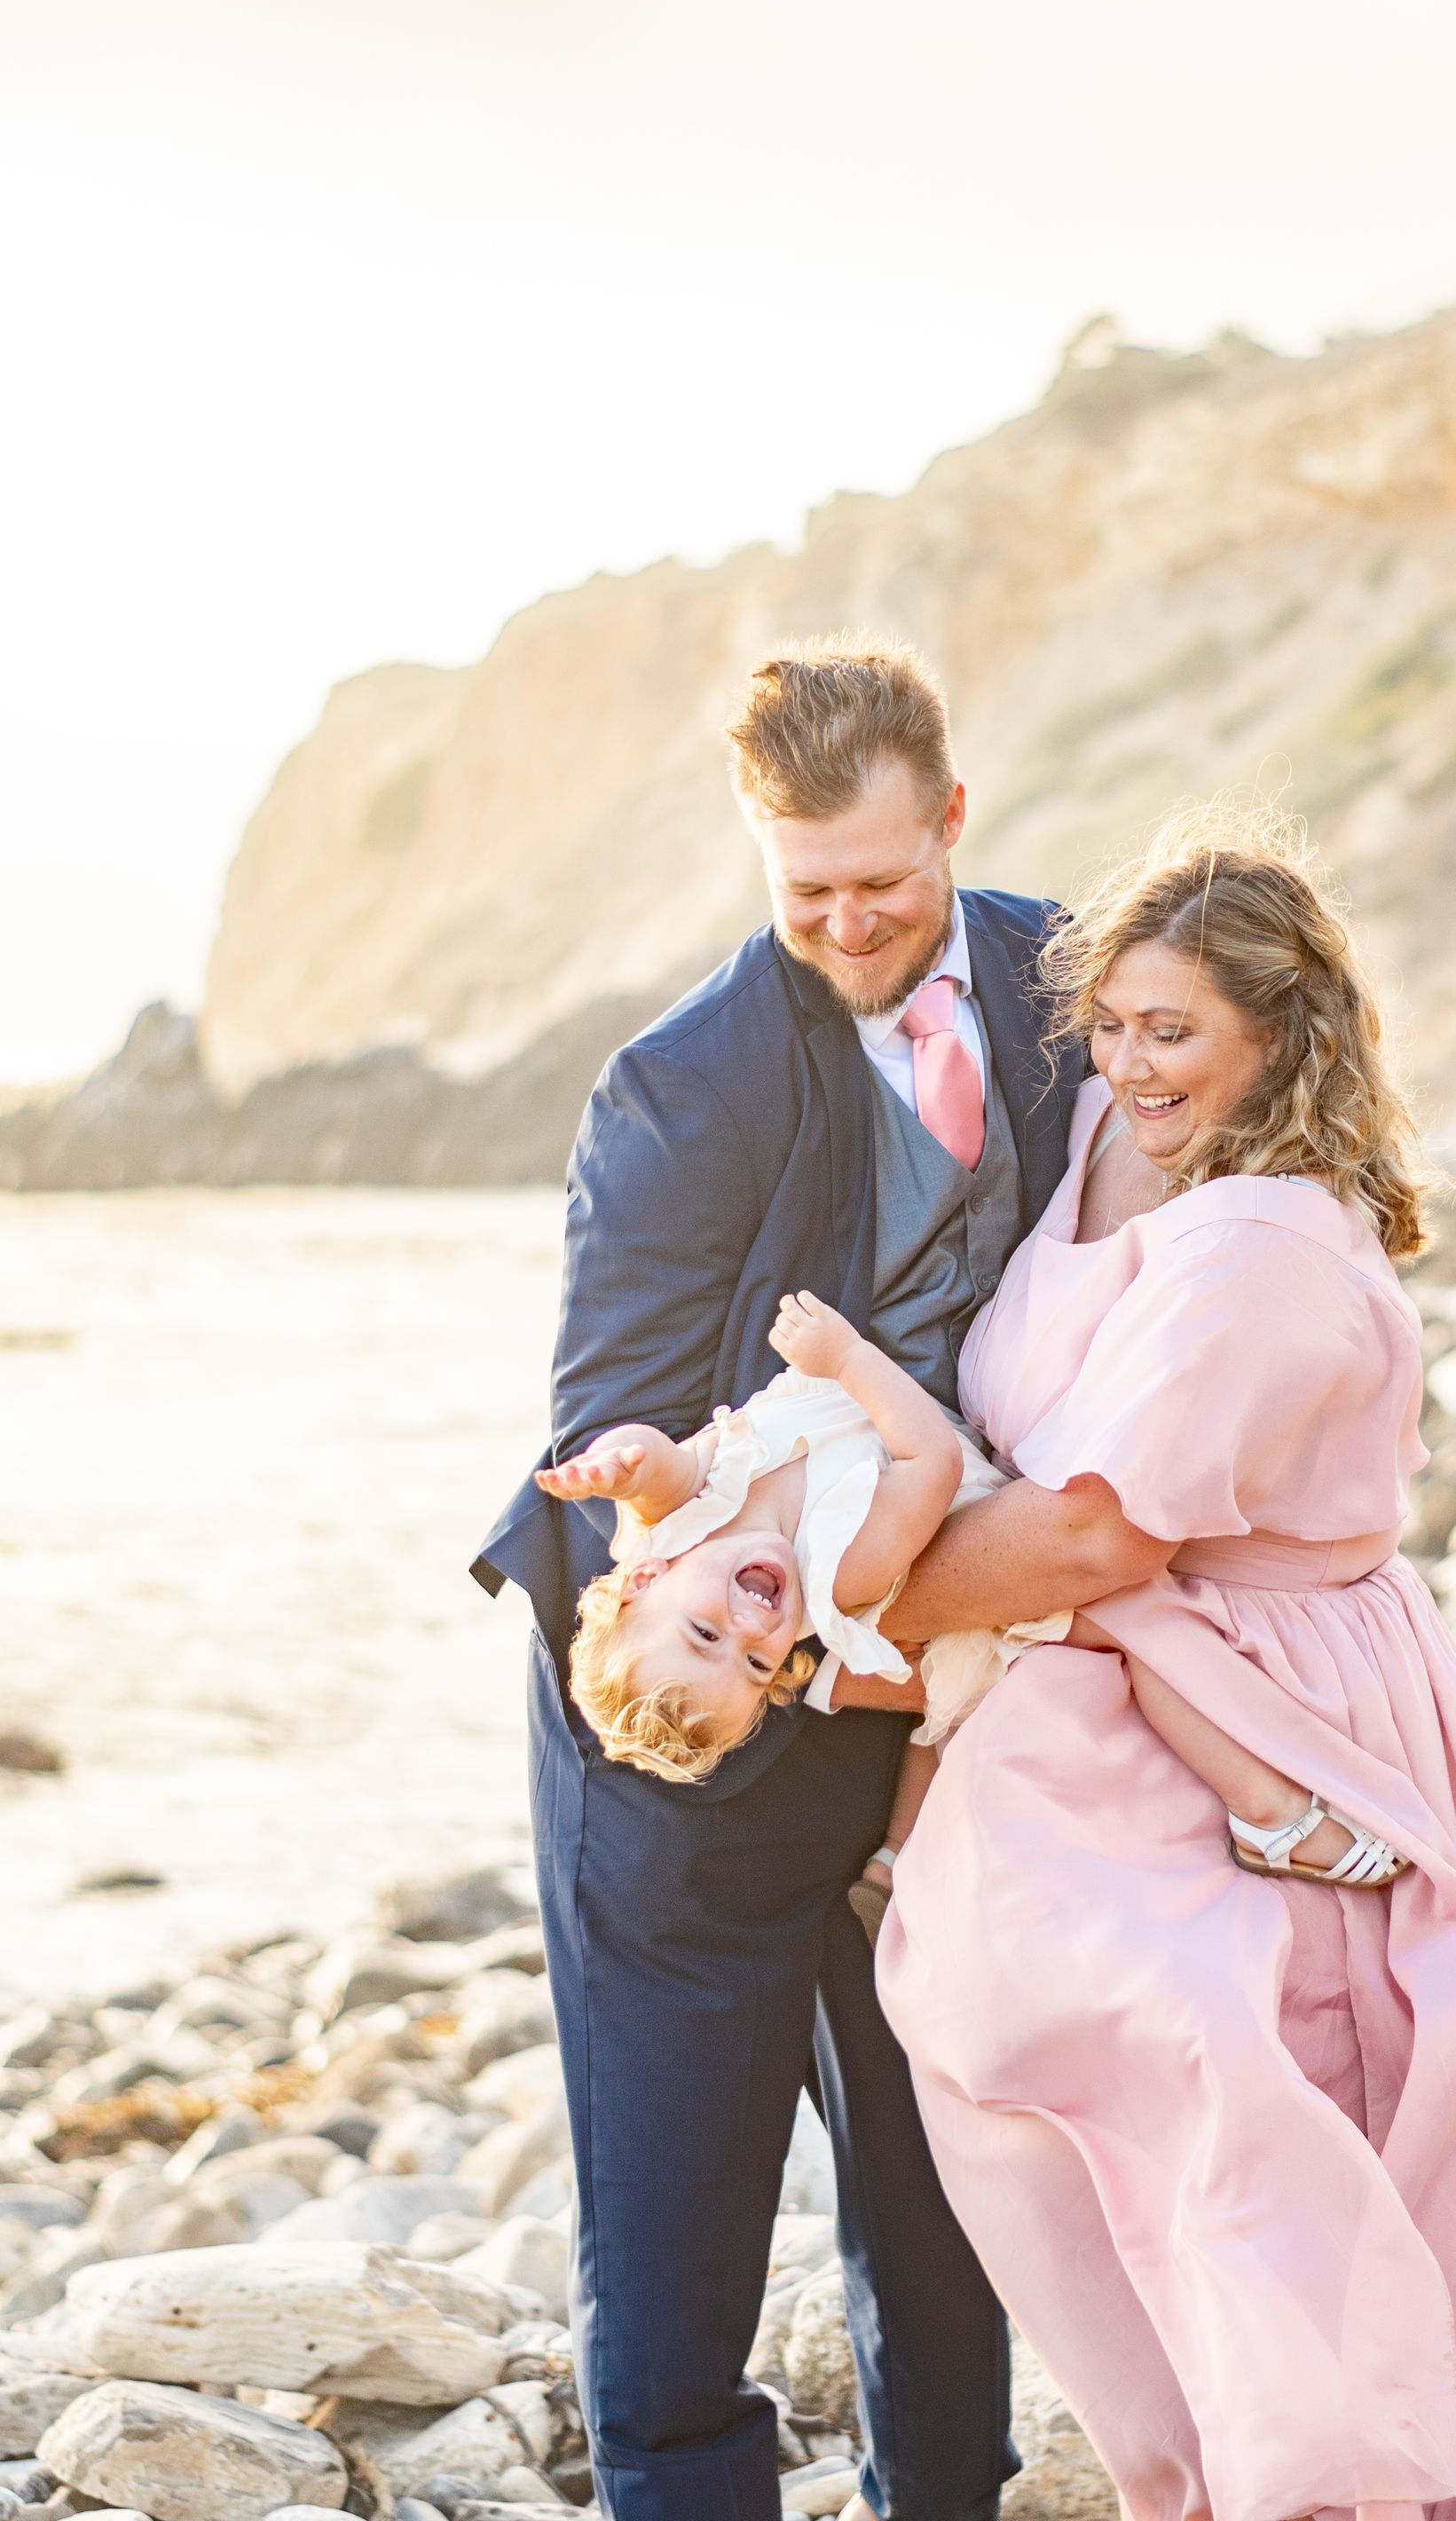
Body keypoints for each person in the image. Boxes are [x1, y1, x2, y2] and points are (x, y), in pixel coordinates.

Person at [875, 809, 1456, 2521]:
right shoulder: (1116, 1135)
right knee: (1050, 2074)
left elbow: (1106, 1532)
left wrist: (842, 1622)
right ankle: (1199, 2476)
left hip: (1260, 1680)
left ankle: (1318, 2480)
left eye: (1172, 1028)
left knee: (1244, 2087)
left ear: (1284, 1032)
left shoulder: (1263, 1241)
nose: (1127, 1063)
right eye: (1110, 1023)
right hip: (1103, 1696)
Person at [474, 636, 1082, 2521]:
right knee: (675, 2298)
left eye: (885, 887)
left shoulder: (1078, 989)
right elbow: (607, 1450)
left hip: (937, 1751)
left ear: (956, 822)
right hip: (698, 1756)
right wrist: (814, 1645)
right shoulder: (675, 1093)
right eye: (802, 892)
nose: (847, 925)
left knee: (945, 2235)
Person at [534, 1287, 1065, 1932]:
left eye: (705, 1634)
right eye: (758, 1664)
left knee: (947, 1718)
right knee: (953, 1716)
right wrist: (844, 1359)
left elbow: (658, 1464)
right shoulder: (836, 1570)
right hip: (998, 1508)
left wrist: (619, 1467)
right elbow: (933, 1459)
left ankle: (894, 1862)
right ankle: (903, 1861)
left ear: (646, 1575)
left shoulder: (681, 1521)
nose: (753, 1628)